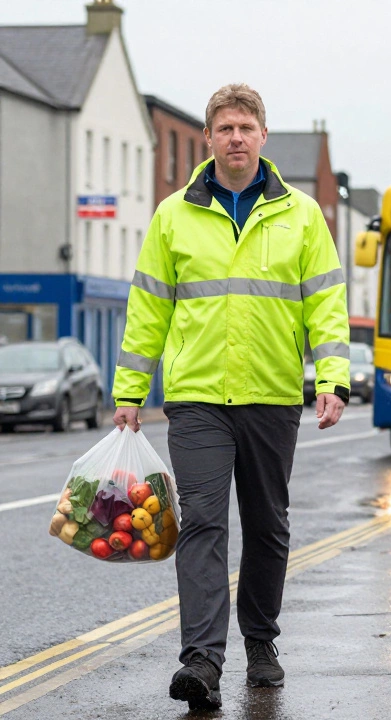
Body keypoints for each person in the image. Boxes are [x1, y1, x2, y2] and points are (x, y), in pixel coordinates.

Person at [112, 83, 351, 712]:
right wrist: (131, 390)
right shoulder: (173, 215)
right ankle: (202, 662)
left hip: (272, 396)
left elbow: (326, 304)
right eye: (226, 129)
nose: (236, 138)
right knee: (204, 524)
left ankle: (261, 642)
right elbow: (148, 309)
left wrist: (332, 378)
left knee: (268, 527)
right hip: (195, 398)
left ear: (263, 137)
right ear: (211, 138)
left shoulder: (302, 215)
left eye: (247, 127)